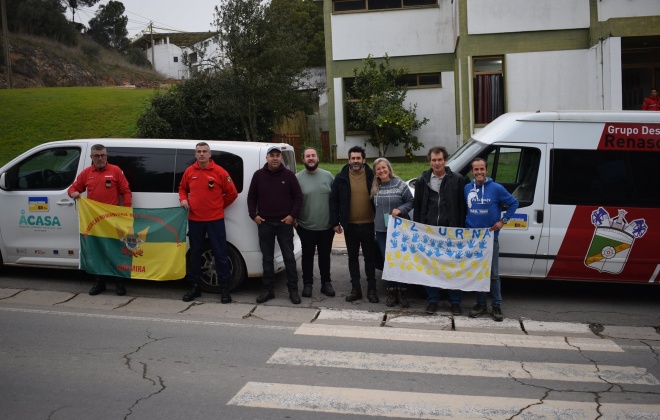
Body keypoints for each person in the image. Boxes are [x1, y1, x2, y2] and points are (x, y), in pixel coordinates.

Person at [68, 144, 132, 296]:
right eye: (97, 156)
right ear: (91, 157)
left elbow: (126, 191)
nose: (100, 158)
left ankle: (119, 283)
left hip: (113, 220)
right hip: (95, 221)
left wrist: (126, 212)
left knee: (117, 251)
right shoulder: (86, 173)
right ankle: (99, 283)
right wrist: (74, 194)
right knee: (97, 252)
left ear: (107, 155)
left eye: (103, 155)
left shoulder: (115, 171)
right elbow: (72, 188)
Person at [178, 142, 238, 304]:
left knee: (220, 254)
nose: (202, 154)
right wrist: (183, 199)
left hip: (215, 221)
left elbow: (232, 194)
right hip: (195, 220)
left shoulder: (219, 172)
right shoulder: (190, 171)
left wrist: (218, 206)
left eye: (205, 151)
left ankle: (224, 288)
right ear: (195, 154)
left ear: (210, 154)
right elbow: (182, 188)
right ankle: (195, 287)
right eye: (199, 152)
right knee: (195, 254)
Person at [412, 146, 467, 315]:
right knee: (431, 268)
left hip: (451, 232)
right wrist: (418, 228)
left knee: (452, 267)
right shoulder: (422, 181)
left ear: (445, 160)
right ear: (430, 161)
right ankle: (433, 299)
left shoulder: (458, 180)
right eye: (434, 160)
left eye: (440, 160)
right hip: (429, 232)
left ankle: (455, 301)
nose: (437, 163)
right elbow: (418, 205)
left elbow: (462, 206)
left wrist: (461, 229)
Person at [248, 145, 303, 304]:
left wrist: (292, 216)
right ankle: (268, 290)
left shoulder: (289, 175)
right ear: (267, 157)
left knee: (289, 258)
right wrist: (254, 215)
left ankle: (293, 291)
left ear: (281, 158)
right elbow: (251, 198)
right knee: (267, 259)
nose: (274, 158)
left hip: (284, 224)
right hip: (264, 224)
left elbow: (298, 197)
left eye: (277, 155)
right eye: (271, 155)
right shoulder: (258, 176)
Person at [465, 157, 519, 322]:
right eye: (476, 170)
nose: (479, 172)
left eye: (482, 169)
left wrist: (503, 221)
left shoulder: (496, 188)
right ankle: (481, 304)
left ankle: (496, 305)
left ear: (486, 170)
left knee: (493, 275)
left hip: (490, 238)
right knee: (478, 272)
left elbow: (514, 203)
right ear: (472, 172)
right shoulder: (467, 188)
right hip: (473, 239)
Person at [330, 145, 379, 303]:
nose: (356, 161)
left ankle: (372, 289)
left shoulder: (373, 176)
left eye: (359, 158)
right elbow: (334, 201)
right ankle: (356, 288)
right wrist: (335, 222)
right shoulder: (341, 178)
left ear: (364, 160)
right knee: (352, 258)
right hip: (349, 225)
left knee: (370, 258)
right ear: (349, 160)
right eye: (353, 158)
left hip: (369, 224)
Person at [372, 157, 414, 308]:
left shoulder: (400, 184)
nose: (382, 171)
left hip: (399, 229)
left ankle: (402, 291)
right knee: (388, 260)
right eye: (378, 169)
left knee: (400, 259)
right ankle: (391, 290)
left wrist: (401, 209)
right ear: (375, 172)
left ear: (389, 168)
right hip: (382, 231)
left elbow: (410, 201)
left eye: (384, 168)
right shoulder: (375, 187)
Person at [295, 147, 336, 298]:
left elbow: (335, 200)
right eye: (307, 156)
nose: (310, 158)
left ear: (318, 158)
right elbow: (293, 201)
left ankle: (326, 283)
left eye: (313, 155)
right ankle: (308, 284)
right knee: (307, 256)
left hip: (327, 226)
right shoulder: (297, 178)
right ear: (303, 159)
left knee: (325, 255)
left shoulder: (328, 176)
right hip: (305, 226)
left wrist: (335, 221)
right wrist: (294, 219)